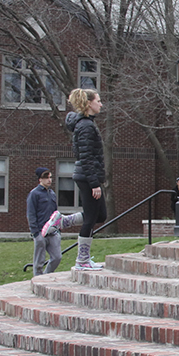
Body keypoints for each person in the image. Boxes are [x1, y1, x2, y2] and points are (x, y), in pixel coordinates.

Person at [62, 88, 107, 270]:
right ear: (89, 103)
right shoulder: (86, 126)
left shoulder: (85, 124)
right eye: (98, 100)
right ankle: (82, 260)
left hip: (87, 175)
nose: (101, 104)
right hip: (88, 177)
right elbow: (86, 156)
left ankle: (63, 221)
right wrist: (94, 183)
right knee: (90, 218)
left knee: (101, 215)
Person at [29, 167, 82, 275]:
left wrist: (57, 229)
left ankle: (47, 275)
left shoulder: (52, 194)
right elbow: (31, 214)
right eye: (46, 178)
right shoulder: (34, 194)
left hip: (53, 231)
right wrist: (35, 233)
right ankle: (38, 279)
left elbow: (55, 213)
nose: (49, 180)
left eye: (50, 177)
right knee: (39, 261)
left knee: (57, 257)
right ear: (40, 179)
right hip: (40, 232)